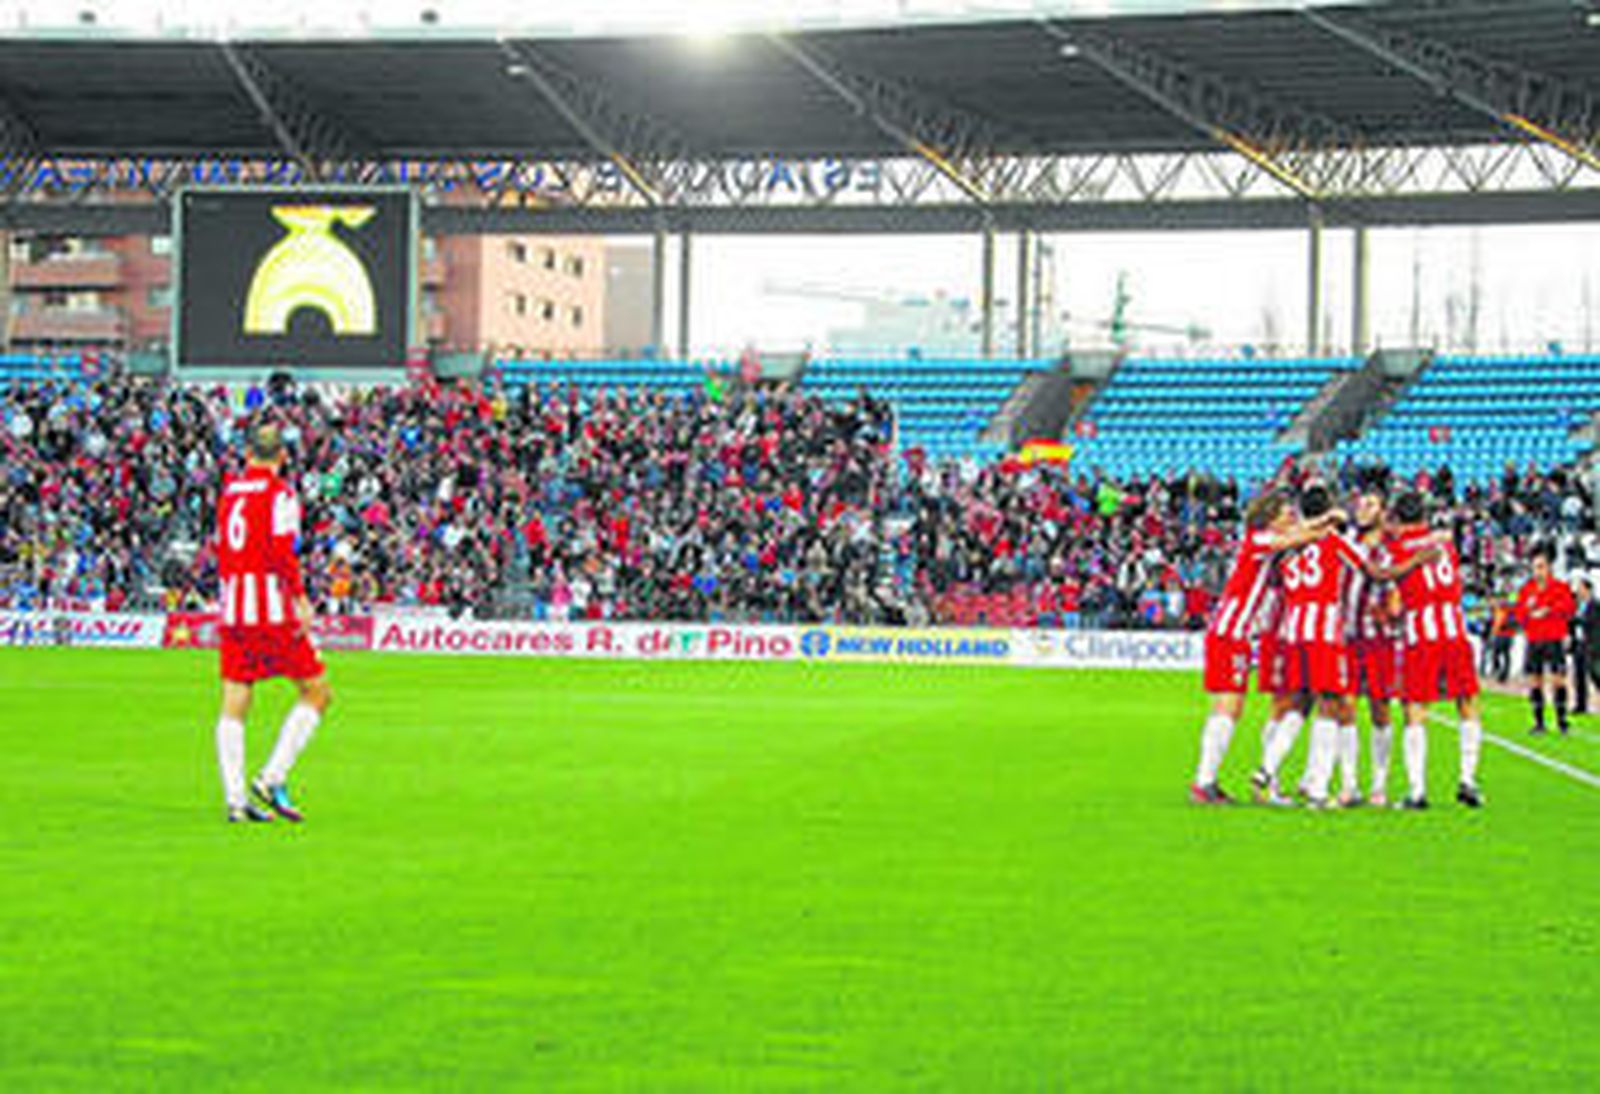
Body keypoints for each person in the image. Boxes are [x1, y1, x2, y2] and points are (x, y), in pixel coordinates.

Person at [211, 423, 333, 824]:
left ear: (248, 455)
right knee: (317, 691)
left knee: (235, 699)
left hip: (233, 606)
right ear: (282, 457)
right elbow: (283, 553)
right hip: (270, 608)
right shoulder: (281, 494)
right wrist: (300, 599)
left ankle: (235, 800)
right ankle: (271, 777)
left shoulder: (230, 491)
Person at [1189, 489, 1340, 804]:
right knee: (1229, 706)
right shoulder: (1257, 539)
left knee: (1229, 706)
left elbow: (1296, 536)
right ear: (1270, 518)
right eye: (1286, 513)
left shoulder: (1260, 542)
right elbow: (1293, 539)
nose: (1291, 519)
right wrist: (1328, 522)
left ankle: (1207, 780)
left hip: (1235, 633)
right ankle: (1205, 782)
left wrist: (1320, 523)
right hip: (1232, 632)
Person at [1386, 491, 1483, 809]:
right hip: (1455, 629)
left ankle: (1417, 791)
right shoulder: (1445, 544)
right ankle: (1468, 781)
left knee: (1415, 709)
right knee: (1467, 702)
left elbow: (1394, 596)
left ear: (1399, 520)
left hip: (1421, 633)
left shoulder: (1397, 548)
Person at [1344, 484, 1400, 806]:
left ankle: (1379, 783)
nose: (1362, 509)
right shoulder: (1347, 544)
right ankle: (1350, 782)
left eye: (1369, 505)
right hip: (1349, 637)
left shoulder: (1390, 550)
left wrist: (1393, 608)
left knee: (1380, 708)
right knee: (1345, 707)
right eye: (1360, 504)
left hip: (1379, 639)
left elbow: (1397, 592)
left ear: (1382, 512)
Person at [1517, 545, 1576, 736]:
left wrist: (1549, 610)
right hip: (1534, 639)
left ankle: (1561, 720)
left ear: (1549, 567)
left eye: (1541, 567)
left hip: (1554, 638)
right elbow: (1519, 613)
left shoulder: (1560, 587)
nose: (1537, 571)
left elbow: (1569, 608)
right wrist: (1529, 615)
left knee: (1558, 680)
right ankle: (1539, 722)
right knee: (1535, 681)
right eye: (1535, 567)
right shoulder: (1527, 590)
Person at [1573, 579, 1600, 715]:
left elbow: (1594, 625)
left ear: (1587, 589)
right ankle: (1580, 705)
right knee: (1579, 675)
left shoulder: (1595, 604)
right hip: (1579, 643)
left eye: (1580, 587)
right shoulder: (1578, 605)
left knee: (1595, 674)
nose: (1578, 590)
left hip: (1591, 644)